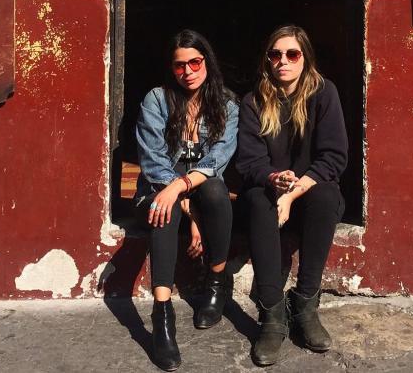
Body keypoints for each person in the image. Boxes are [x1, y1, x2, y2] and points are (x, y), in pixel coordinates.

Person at [236, 25, 348, 366]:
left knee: (327, 198)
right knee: (257, 201)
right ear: (267, 60)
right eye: (276, 54)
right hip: (269, 191)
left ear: (305, 58)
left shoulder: (323, 93)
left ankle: (305, 305)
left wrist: (293, 193)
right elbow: (248, 162)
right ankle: (271, 314)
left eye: (292, 54)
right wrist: (274, 179)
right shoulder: (254, 101)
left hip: (309, 194)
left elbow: (334, 156)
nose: (283, 61)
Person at [135, 29, 239, 371]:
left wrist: (186, 197)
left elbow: (218, 160)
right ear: (172, 68)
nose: (188, 71)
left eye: (195, 62)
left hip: (197, 185)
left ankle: (217, 280)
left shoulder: (226, 103)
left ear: (206, 61)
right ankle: (161, 316)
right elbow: (153, 160)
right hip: (159, 184)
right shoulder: (156, 100)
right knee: (161, 208)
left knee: (215, 191)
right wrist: (179, 198)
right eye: (180, 65)